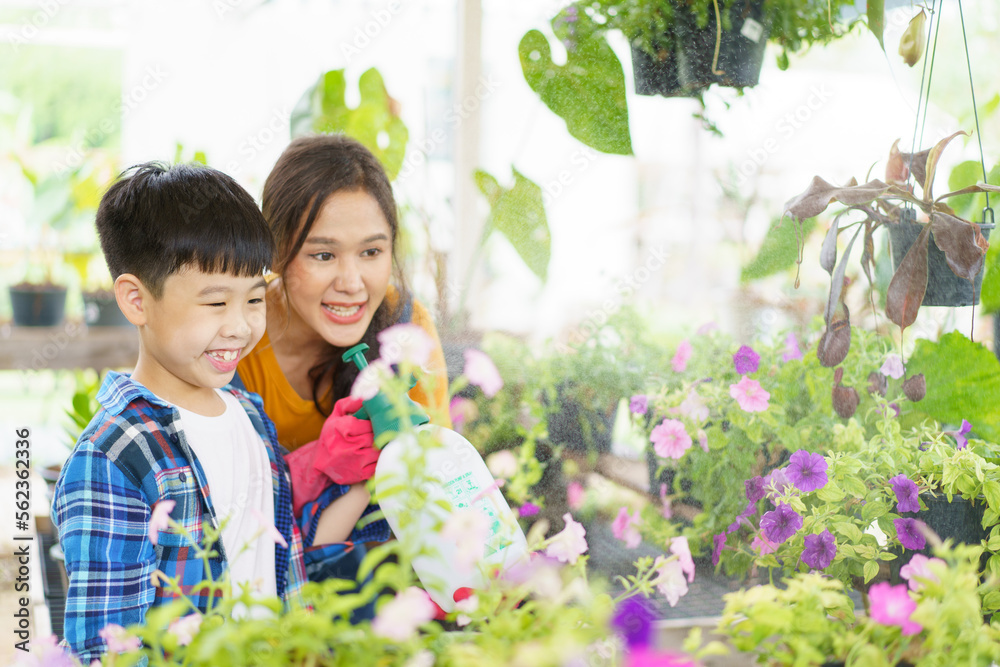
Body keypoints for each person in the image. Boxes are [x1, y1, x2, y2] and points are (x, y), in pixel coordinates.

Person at [51, 163, 313, 662]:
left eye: (254, 298)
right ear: (136, 300)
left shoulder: (250, 416)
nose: (240, 326)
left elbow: (284, 567)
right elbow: (108, 647)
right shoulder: (114, 455)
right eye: (215, 303)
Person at [236, 134, 452, 566]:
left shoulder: (404, 328)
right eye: (323, 255)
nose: (352, 283)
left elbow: (440, 487)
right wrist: (318, 463)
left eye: (371, 251)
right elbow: (220, 515)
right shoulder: (234, 340)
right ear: (275, 252)